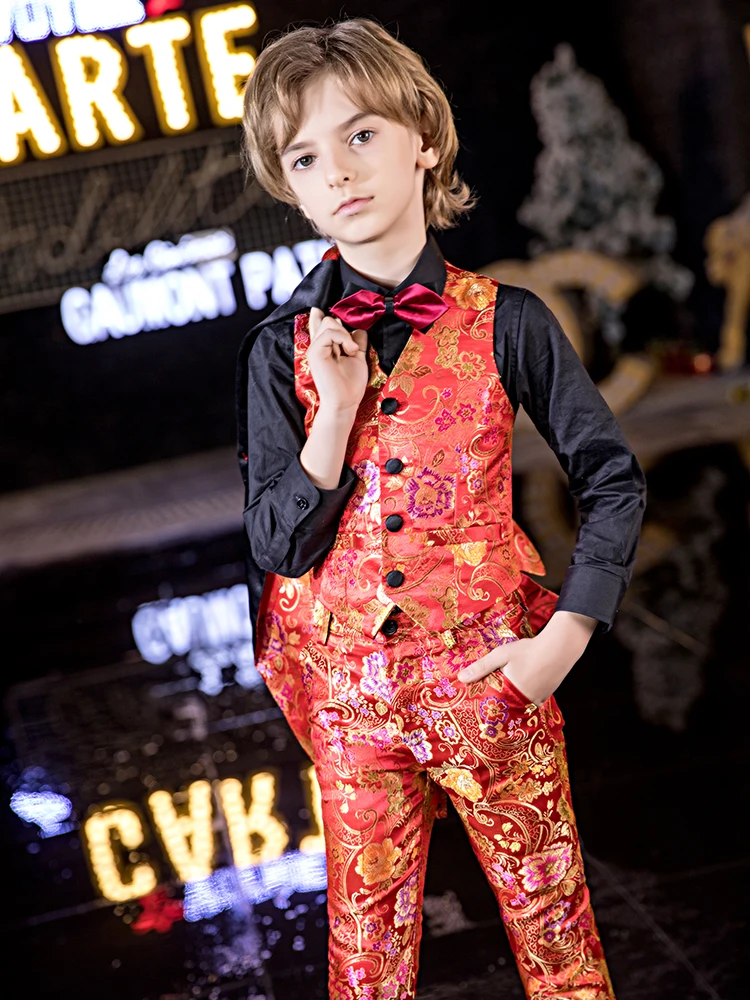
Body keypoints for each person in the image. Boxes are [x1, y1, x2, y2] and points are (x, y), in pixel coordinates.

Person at [236, 17, 646, 1000]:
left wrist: (563, 640)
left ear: (423, 138)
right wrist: (335, 413)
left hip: (492, 677)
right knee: (365, 964)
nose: (339, 170)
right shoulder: (277, 350)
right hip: (347, 700)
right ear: (290, 185)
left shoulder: (510, 321)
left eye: (361, 134)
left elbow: (611, 477)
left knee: (557, 937)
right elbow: (276, 543)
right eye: (306, 155)